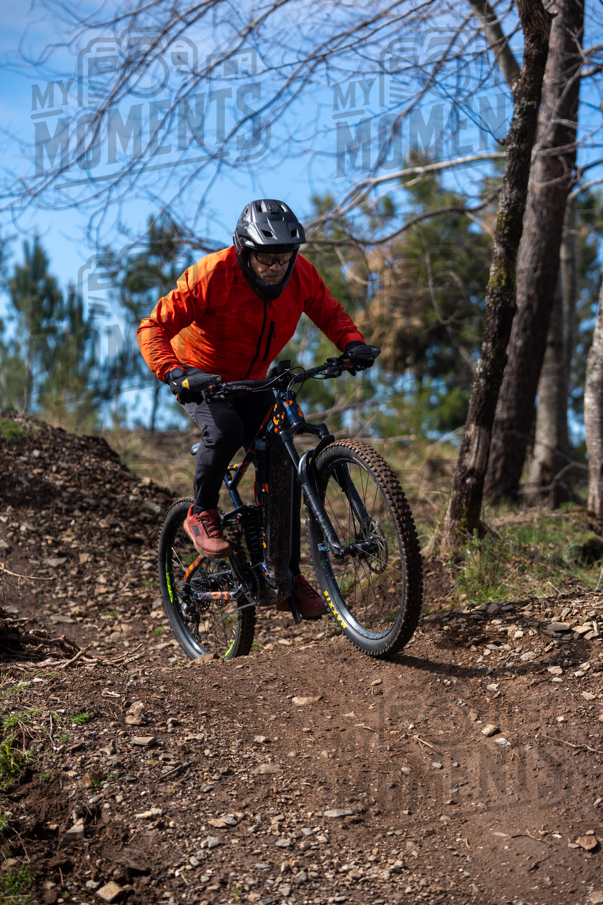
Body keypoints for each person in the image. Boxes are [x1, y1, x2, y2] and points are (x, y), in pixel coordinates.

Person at [137, 199, 380, 617]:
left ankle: (283, 574)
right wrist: (175, 373)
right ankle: (201, 511)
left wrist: (351, 343)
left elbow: (328, 310)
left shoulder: (300, 275)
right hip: (201, 375)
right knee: (226, 431)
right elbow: (153, 326)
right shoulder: (213, 274)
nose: (275, 266)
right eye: (266, 258)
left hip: (255, 379)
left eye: (283, 257)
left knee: (282, 454)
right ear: (243, 250)